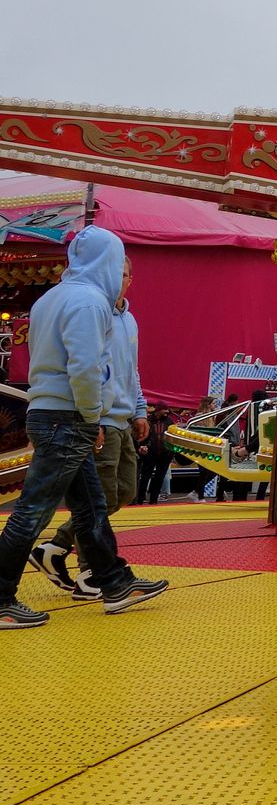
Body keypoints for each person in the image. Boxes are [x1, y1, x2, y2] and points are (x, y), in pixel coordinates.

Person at [0, 227, 168, 628]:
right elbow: (86, 367)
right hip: (70, 416)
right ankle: (2, 597)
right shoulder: (91, 302)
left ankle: (114, 582)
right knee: (33, 512)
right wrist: (93, 416)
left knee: (91, 506)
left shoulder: (50, 298)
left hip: (49, 410)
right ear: (109, 261)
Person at [32, 254, 148, 594]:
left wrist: (140, 409)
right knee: (98, 499)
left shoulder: (129, 320)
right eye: (114, 272)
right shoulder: (95, 312)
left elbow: (131, 371)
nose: (118, 279)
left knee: (124, 491)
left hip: (122, 419)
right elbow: (88, 368)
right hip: (102, 419)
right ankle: (89, 571)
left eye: (124, 274)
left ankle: (56, 547)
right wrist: (92, 416)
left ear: (131, 280)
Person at [136, 410, 174, 505]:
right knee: (145, 476)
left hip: (165, 454)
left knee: (159, 477)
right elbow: (143, 435)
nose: (167, 411)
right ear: (158, 410)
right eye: (164, 409)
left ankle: (153, 499)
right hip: (150, 452)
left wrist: (171, 451)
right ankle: (140, 499)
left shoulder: (169, 421)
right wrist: (142, 446)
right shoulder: (149, 420)